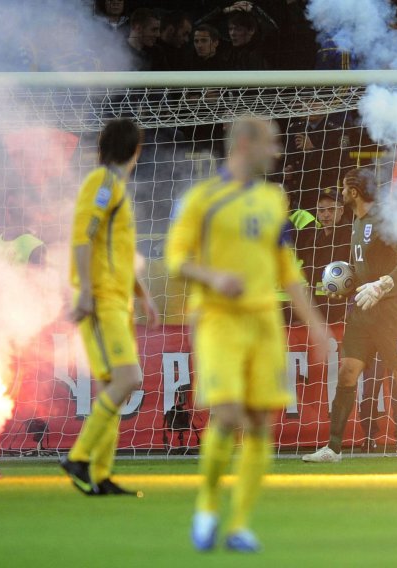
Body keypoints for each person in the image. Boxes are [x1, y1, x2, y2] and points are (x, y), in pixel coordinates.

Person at [166, 117, 330, 552]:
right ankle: (206, 508)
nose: (277, 152)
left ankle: (238, 524)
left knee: (260, 422)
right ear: (244, 143)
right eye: (271, 144)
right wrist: (214, 277)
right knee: (228, 413)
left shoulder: (274, 198)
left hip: (264, 322)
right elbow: (175, 258)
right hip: (219, 318)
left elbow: (285, 267)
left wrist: (314, 322)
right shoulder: (201, 199)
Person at [302, 168, 397, 464]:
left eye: (344, 188)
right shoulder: (356, 222)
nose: (341, 193)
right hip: (362, 311)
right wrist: (345, 288)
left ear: (354, 192)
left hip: (393, 312)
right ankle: (333, 448)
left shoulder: (383, 219)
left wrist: (383, 285)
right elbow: (362, 270)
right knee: (347, 372)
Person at [60, 118, 160, 496]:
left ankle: (100, 475)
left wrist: (141, 293)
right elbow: (82, 238)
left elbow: (113, 249)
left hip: (117, 299)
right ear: (136, 150)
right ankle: (79, 456)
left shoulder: (114, 186)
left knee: (111, 385)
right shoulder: (101, 183)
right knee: (127, 379)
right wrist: (86, 291)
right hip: (101, 299)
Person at [295, 187, 352, 325]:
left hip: (339, 309)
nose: (326, 214)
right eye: (321, 210)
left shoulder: (350, 235)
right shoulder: (314, 237)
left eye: (331, 210)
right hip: (315, 309)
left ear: (341, 210)